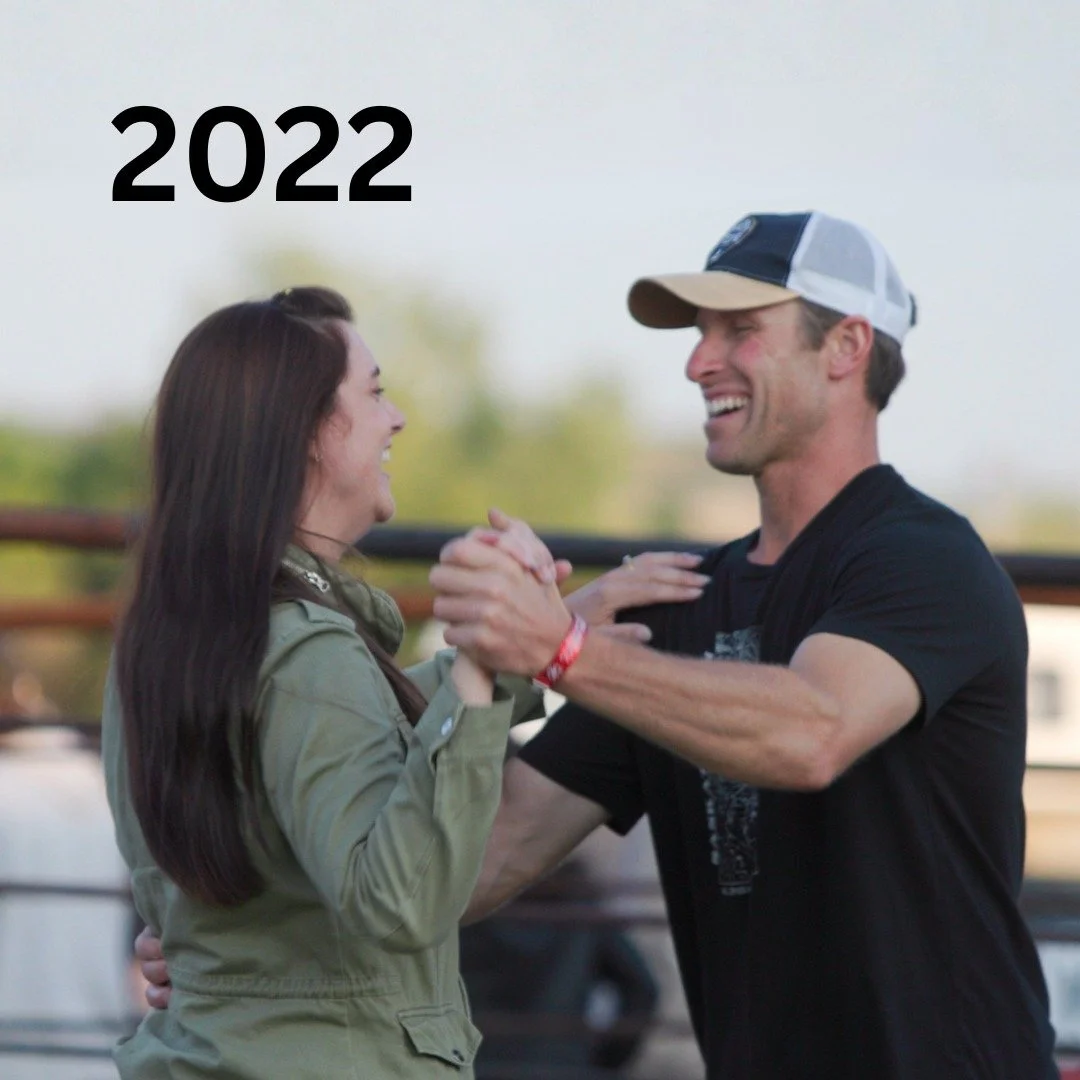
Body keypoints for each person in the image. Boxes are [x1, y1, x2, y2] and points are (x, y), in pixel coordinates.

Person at [424, 212, 1059, 1079]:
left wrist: (560, 645)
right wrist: (482, 664)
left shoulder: (925, 558)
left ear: (846, 347)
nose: (698, 362)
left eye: (740, 330)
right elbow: (482, 860)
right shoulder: (677, 604)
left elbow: (813, 730)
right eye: (699, 333)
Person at [103, 285, 698, 1079]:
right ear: (305, 432)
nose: (398, 418)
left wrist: (543, 637)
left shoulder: (173, 641)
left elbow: (338, 725)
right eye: (375, 392)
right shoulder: (307, 652)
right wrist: (480, 669)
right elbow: (400, 902)